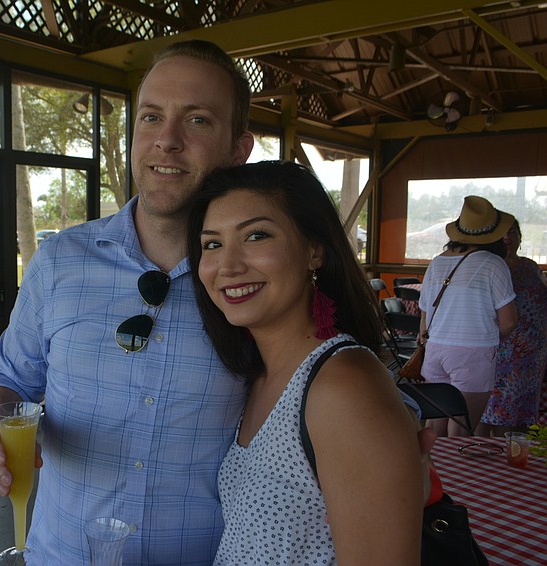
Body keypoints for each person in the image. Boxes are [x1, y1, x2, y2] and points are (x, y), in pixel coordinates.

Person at [0, 40, 430, 564]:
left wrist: (397, 434)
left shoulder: (247, 294)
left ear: (238, 149)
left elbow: (336, 384)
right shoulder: (59, 261)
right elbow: (10, 377)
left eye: (197, 120)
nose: (167, 140)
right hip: (61, 555)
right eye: (151, 117)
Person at [187, 160, 423, 564]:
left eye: (256, 236)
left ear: (314, 250)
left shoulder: (343, 385)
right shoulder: (257, 376)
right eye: (212, 244)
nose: (227, 266)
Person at [419, 195, 517, 437]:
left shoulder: (437, 262)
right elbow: (509, 322)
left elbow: (424, 314)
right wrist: (491, 337)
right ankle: (455, 464)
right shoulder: (494, 264)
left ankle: (431, 464)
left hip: (435, 349)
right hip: (474, 351)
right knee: (462, 428)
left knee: (434, 426)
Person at [478, 218, 547, 436]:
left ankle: (518, 451)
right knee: (496, 410)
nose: (508, 238)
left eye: (513, 232)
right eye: (503, 233)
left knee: (524, 412)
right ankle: (493, 450)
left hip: (533, 356)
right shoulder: (490, 266)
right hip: (503, 352)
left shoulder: (530, 266)